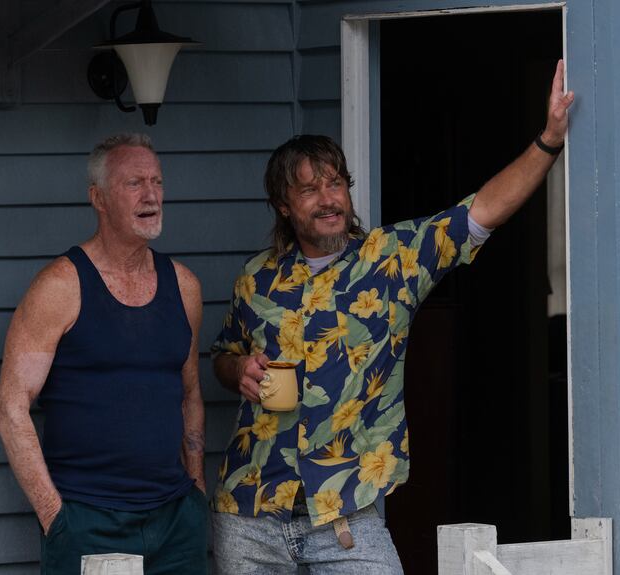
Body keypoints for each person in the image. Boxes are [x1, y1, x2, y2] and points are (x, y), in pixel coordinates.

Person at [209, 61, 574, 573]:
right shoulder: (256, 278)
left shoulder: (392, 260)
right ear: (283, 206)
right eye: (310, 190)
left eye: (336, 184)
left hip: (345, 516)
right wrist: (238, 371)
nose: (328, 200)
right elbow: (224, 355)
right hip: (250, 514)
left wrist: (549, 140)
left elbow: (482, 211)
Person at [0, 133, 207, 575]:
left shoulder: (184, 286)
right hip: (89, 520)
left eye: (157, 181)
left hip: (176, 520)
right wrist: (55, 518)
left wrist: (196, 489)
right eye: (134, 183)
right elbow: (10, 408)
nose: (151, 195)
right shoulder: (60, 286)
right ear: (99, 198)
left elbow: (190, 394)